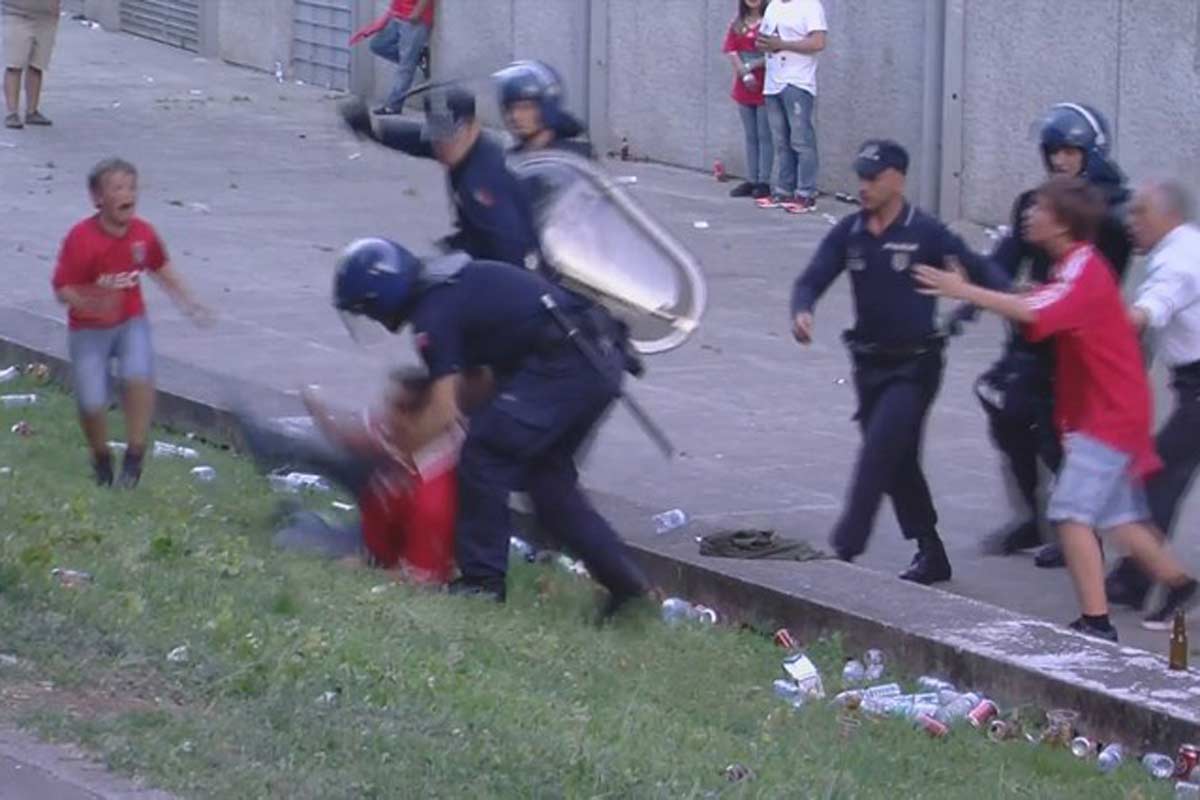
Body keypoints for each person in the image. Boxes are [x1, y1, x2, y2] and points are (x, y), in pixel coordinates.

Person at [915, 176, 1199, 641]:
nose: (1029, 215)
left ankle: (1096, 622)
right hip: (1103, 406)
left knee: (1069, 513)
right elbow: (1044, 306)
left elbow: (1038, 313)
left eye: (1039, 209)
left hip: (1110, 412)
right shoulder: (1073, 266)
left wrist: (964, 290)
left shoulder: (1084, 269)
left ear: (1063, 222)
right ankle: (1180, 584)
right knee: (1117, 513)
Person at [332, 238, 650, 616]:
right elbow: (480, 384)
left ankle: (482, 584)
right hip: (596, 359)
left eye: (368, 312)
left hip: (567, 363)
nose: (373, 321)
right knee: (547, 483)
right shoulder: (453, 289)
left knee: (483, 455)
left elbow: (444, 410)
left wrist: (396, 452)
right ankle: (627, 586)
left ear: (380, 298)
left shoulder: (433, 313)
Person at [791, 140, 1009, 584]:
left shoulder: (925, 232)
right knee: (899, 460)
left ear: (897, 180)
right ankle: (931, 550)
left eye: (873, 178)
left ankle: (846, 546)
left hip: (915, 367)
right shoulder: (851, 232)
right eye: (861, 177)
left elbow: (982, 270)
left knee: (879, 449)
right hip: (868, 366)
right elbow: (812, 278)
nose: (864, 186)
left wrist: (1010, 302)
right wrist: (802, 310)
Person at [974, 103, 1133, 568]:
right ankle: (1032, 516)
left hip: (1080, 347)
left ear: (1091, 153)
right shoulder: (1038, 204)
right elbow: (1005, 259)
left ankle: (1082, 533)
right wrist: (977, 289)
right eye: (1054, 152)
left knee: (1061, 441)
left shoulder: (1110, 212)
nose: (1060, 161)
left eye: (1070, 152)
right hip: (1034, 335)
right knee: (1008, 417)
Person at [51, 158, 210, 487]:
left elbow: (160, 268)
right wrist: (90, 302)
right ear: (98, 198)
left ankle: (135, 454)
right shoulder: (82, 239)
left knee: (138, 376)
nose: (127, 194)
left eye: (131, 187)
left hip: (129, 320)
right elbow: (62, 287)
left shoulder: (143, 234)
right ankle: (101, 457)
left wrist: (188, 301)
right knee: (91, 400)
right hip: (88, 330)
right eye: (117, 188)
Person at [236, 367, 460, 583]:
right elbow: (350, 438)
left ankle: (301, 518)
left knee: (290, 538)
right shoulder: (404, 441)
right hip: (375, 523)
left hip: (372, 549)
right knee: (324, 456)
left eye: (399, 408)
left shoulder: (432, 497)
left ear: (423, 418)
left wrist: (363, 568)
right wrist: (318, 410)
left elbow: (421, 578)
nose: (388, 415)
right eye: (390, 404)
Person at [1103, 180, 1200, 612]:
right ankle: (1134, 578)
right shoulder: (1188, 244)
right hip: (1191, 383)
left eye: (1141, 211)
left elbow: (1149, 310)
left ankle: (1140, 580)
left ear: (1169, 216)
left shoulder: (1176, 263)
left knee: (1158, 476)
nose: (1131, 221)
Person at [338, 87, 539, 269]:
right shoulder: (463, 147)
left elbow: (511, 249)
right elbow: (413, 138)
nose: (442, 145)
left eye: (449, 136)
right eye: (436, 135)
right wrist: (372, 128)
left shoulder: (482, 180)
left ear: (473, 126)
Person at [755, 0, 826, 214]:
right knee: (781, 141)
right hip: (772, 83)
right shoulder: (773, 6)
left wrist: (783, 44)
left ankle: (806, 193)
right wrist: (763, 43)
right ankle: (784, 190)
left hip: (797, 81)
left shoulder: (810, 5)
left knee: (801, 140)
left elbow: (818, 42)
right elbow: (764, 39)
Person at [349, 0, 435, 116]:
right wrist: (376, 26)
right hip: (397, 17)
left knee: (405, 67)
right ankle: (418, 58)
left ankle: (393, 106)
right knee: (378, 45)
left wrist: (416, 13)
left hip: (414, 20)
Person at [722, 0, 772, 200]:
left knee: (764, 135)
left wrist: (752, 66)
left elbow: (773, 54)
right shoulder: (738, 23)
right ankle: (751, 179)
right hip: (744, 84)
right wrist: (743, 72)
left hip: (765, 83)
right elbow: (731, 50)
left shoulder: (770, 22)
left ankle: (764, 181)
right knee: (751, 135)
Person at [492, 59, 592, 158]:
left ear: (548, 108)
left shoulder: (569, 158)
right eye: (509, 109)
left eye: (525, 107)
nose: (515, 116)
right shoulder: (509, 156)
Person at [3, 0, 60, 129]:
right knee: (14, 64)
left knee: (37, 65)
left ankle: (32, 111)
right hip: (17, 13)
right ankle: (12, 113)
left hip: (47, 16)